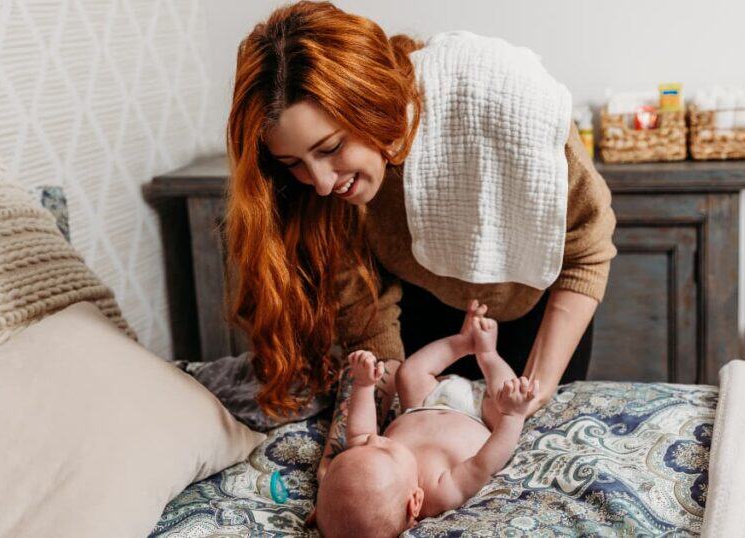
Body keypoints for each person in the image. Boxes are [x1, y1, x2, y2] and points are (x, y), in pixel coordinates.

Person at [224, 1, 616, 481]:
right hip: (423, 310)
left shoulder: (513, 106)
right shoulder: (322, 196)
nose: (321, 182)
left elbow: (587, 254)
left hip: (539, 311)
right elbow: (367, 310)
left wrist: (530, 395)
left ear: (370, 103)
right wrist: (348, 450)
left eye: (330, 148)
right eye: (294, 164)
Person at [315, 303, 533, 537]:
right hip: (479, 416)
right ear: (415, 502)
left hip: (423, 402)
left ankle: (463, 342)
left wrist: (363, 385)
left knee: (408, 373)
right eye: (383, 448)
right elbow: (484, 463)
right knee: (502, 396)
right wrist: (513, 415)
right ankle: (489, 355)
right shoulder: (440, 491)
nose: (373, 439)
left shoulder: (369, 457)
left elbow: (359, 432)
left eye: (366, 445)